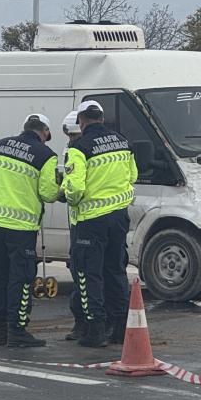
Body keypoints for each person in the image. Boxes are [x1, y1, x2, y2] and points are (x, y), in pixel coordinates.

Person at [63, 100, 138, 348]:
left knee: (88, 275)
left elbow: (75, 189)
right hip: (119, 217)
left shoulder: (79, 147)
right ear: (102, 118)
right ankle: (120, 328)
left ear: (81, 121)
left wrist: (66, 194)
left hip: (90, 220)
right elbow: (133, 176)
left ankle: (95, 329)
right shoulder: (123, 142)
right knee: (115, 271)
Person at [0, 113, 59, 348]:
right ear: (44, 132)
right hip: (22, 227)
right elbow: (48, 193)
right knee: (21, 278)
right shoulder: (46, 155)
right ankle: (17, 329)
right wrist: (60, 187)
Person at [59, 112, 87, 342]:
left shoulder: (77, 152)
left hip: (83, 222)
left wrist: (63, 193)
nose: (69, 141)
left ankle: (84, 325)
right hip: (106, 220)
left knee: (83, 276)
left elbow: (74, 189)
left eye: (72, 136)